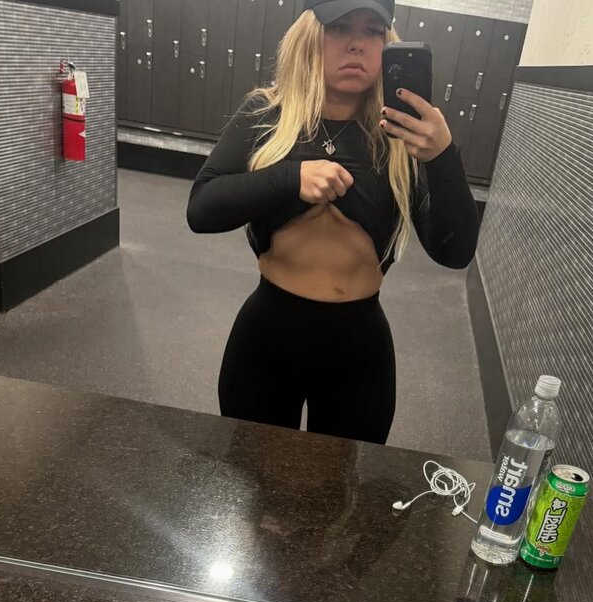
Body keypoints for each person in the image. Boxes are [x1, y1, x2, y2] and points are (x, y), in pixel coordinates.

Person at [187, 0, 479, 445]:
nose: (357, 44)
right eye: (340, 27)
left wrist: (442, 157)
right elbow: (201, 209)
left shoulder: (402, 135)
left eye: (373, 30)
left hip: (358, 355)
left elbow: (454, 252)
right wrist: (291, 177)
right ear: (310, 37)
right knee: (254, 474)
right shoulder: (267, 114)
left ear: (387, 43)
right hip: (266, 341)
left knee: (341, 485)